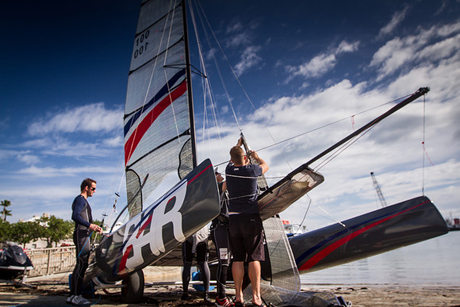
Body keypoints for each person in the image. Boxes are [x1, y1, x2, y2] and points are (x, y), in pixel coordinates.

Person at [226, 141, 269, 307]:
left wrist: (238, 147)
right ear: (245, 157)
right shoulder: (252, 170)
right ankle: (256, 297)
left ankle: (238, 296)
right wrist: (256, 157)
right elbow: (266, 166)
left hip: (234, 220)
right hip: (250, 218)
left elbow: (233, 159)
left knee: (237, 258)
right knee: (254, 258)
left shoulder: (228, 170)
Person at [68, 178, 102, 306]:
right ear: (86, 188)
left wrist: (95, 227)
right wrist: (89, 225)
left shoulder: (85, 203)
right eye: (93, 188)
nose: (94, 191)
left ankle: (73, 295)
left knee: (81, 265)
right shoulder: (79, 200)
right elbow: (75, 216)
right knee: (81, 264)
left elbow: (87, 220)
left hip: (85, 235)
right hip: (80, 235)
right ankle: (76, 295)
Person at [211, 170, 232, 307]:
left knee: (227, 262)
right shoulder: (216, 188)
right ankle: (221, 298)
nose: (221, 175)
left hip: (227, 228)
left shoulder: (225, 191)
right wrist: (234, 163)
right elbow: (230, 180)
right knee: (223, 262)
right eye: (218, 173)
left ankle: (222, 296)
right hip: (220, 229)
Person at [181, 225, 212, 304]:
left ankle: (185, 293)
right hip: (202, 232)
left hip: (189, 231)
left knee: (187, 263)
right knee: (203, 263)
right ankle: (206, 293)